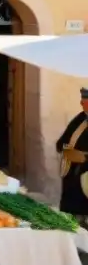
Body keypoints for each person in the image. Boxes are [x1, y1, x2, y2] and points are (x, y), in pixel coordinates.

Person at [56, 87, 88, 222]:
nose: (81, 103)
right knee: (72, 217)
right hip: (72, 176)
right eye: (82, 99)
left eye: (85, 100)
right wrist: (68, 151)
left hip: (86, 177)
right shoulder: (80, 118)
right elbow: (61, 143)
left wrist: (84, 157)